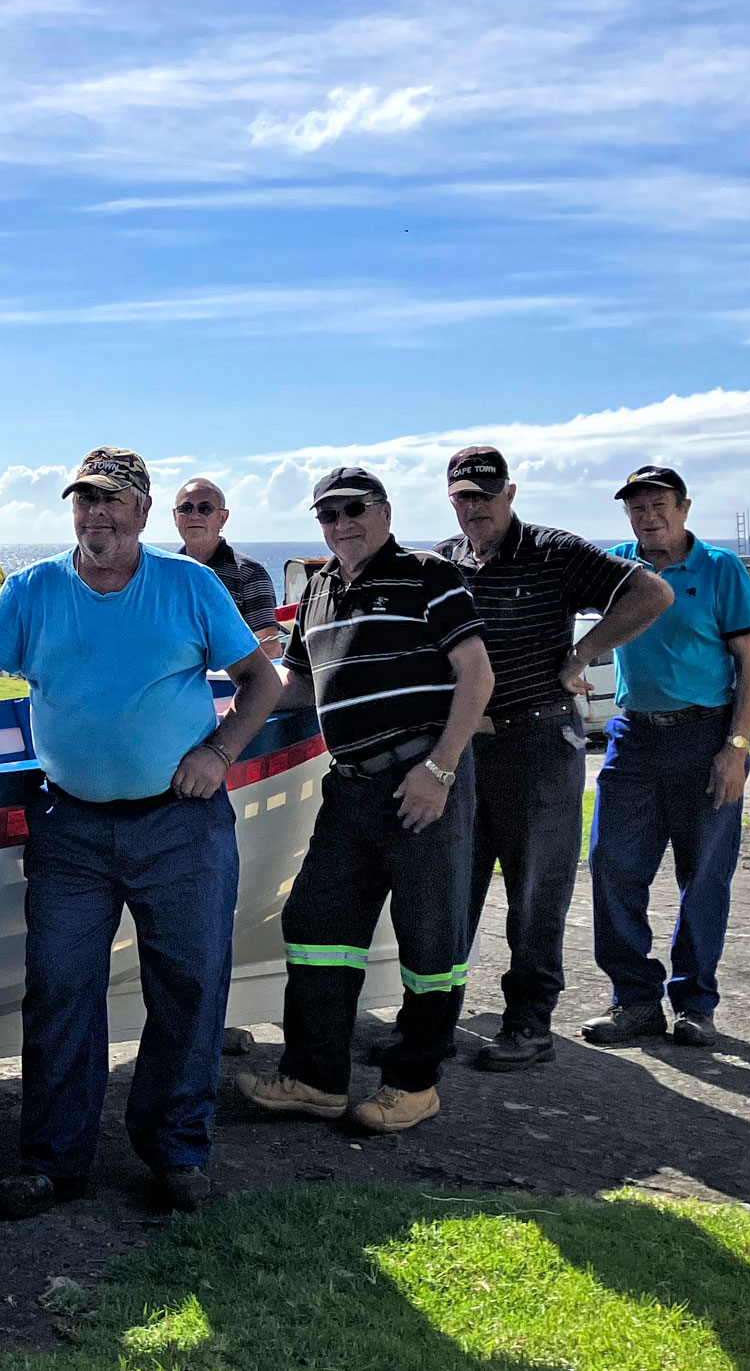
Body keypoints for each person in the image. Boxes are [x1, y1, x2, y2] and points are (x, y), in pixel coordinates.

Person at [0, 447, 282, 1220]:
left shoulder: (189, 585)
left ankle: (176, 1152)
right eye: (85, 501)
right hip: (71, 827)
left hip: (181, 826)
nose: (97, 516)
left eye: (113, 501)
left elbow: (263, 680)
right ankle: (53, 1160)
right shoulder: (33, 590)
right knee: (58, 990)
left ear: (144, 513)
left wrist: (218, 753)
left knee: (188, 988)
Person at [233, 467, 493, 1133]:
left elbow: (476, 674)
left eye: (353, 509)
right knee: (318, 925)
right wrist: (224, 699)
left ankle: (413, 1084)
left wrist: (440, 767)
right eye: (328, 514)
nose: (341, 523)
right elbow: (299, 685)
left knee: (431, 938)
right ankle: (316, 1077)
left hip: (418, 781)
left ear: (382, 510)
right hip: (349, 788)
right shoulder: (318, 589)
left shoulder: (428, 573)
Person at [434, 446, 672, 1070]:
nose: (475, 507)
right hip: (464, 746)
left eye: (485, 495)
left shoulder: (553, 550)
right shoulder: (443, 561)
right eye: (464, 496)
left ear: (509, 494)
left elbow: (650, 592)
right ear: (451, 499)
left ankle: (529, 1024)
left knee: (535, 891)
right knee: (452, 887)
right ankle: (435, 1021)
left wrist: (583, 652)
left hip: (537, 743)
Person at [580, 465, 750, 1050]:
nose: (648, 516)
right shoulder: (617, 566)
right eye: (637, 507)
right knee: (611, 866)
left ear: (684, 508)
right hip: (633, 737)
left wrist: (735, 748)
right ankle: (634, 1001)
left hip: (705, 735)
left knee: (704, 875)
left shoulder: (719, 569)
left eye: (659, 504)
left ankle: (694, 1004)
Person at [171, 476, 282, 655]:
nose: (194, 515)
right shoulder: (164, 574)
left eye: (205, 508)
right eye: (186, 508)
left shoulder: (249, 574)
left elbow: (268, 647)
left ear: (222, 518)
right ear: (175, 516)